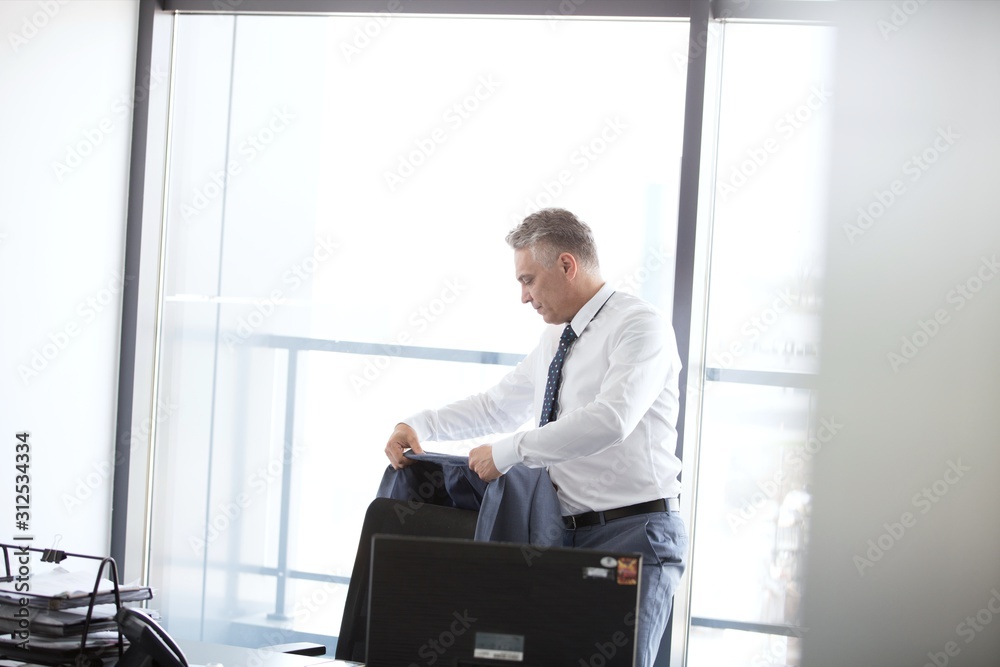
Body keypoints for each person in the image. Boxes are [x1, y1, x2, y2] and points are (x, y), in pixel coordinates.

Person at [384, 208, 687, 667]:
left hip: (634, 535)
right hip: (561, 536)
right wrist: (421, 424)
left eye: (528, 280)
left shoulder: (639, 326)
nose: (524, 297)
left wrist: (509, 452)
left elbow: (611, 419)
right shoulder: (557, 339)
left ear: (566, 265)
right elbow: (496, 405)